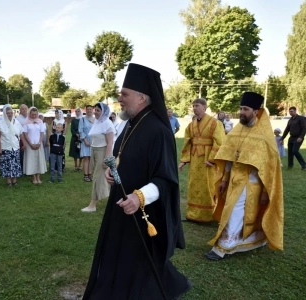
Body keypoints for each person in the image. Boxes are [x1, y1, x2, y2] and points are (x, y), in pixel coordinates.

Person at [83, 63, 191, 299]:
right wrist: (114, 174)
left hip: (143, 211)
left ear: (142, 97)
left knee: (141, 260)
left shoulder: (158, 131)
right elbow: (122, 158)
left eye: (124, 94)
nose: (119, 98)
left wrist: (139, 196)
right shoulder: (131, 123)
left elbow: (166, 178)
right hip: (121, 204)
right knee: (121, 255)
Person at [205, 92, 283, 261]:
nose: (241, 112)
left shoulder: (264, 136)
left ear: (256, 111)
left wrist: (264, 191)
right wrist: (224, 180)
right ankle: (251, 240)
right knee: (239, 213)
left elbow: (269, 168)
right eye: (240, 108)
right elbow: (228, 158)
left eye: (245, 109)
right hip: (233, 180)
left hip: (251, 183)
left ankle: (222, 248)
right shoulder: (236, 131)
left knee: (234, 212)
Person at [179, 98, 225, 222]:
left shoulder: (215, 123)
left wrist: (212, 159)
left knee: (208, 186)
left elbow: (220, 142)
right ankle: (193, 215)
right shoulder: (191, 125)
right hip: (194, 160)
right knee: (193, 186)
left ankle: (209, 215)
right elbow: (188, 142)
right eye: (193, 106)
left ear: (205, 107)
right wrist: (184, 160)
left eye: (197, 106)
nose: (194, 108)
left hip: (208, 161)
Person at [81, 103, 115, 213]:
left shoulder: (107, 123)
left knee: (97, 177)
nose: (95, 112)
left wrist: (107, 159)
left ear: (104, 112)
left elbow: (110, 142)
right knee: (105, 178)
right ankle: (113, 199)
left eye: (98, 110)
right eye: (95, 110)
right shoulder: (97, 122)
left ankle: (92, 204)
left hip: (103, 152)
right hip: (94, 151)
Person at [0, 105, 23, 186]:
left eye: (11, 113)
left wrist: (23, 143)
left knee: (15, 164)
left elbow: (21, 133)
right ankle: (8, 180)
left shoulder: (17, 122)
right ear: (4, 114)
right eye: (7, 113)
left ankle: (14, 180)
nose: (10, 114)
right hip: (5, 147)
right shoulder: (0, 123)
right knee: (7, 164)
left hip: (15, 146)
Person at [23, 107, 47, 184]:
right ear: (29, 114)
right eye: (32, 114)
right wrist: (30, 144)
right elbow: (25, 134)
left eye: (35, 114)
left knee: (39, 160)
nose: (34, 116)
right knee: (31, 161)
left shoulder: (40, 121)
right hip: (30, 144)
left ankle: (38, 177)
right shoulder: (26, 122)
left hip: (38, 144)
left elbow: (42, 133)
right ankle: (33, 177)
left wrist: (39, 143)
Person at [79, 105, 95, 182]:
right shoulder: (82, 120)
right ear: (86, 110)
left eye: (90, 109)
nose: (89, 110)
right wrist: (85, 140)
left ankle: (90, 174)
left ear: (93, 110)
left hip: (93, 141)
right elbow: (80, 130)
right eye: (87, 109)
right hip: (85, 140)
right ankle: (85, 175)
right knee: (86, 158)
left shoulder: (95, 120)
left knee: (91, 158)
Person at [69, 107, 83, 171]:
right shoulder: (73, 120)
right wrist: (76, 134)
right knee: (75, 151)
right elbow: (72, 129)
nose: (77, 113)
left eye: (78, 111)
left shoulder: (83, 119)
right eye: (76, 111)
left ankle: (80, 165)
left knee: (81, 151)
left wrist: (81, 134)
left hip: (81, 137)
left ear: (80, 112)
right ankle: (75, 165)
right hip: (75, 137)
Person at [16, 104, 28, 172]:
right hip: (21, 139)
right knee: (22, 155)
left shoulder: (29, 117)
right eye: (22, 109)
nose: (24, 110)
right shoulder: (17, 119)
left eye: (25, 109)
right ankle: (22, 169)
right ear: (20, 110)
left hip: (29, 138)